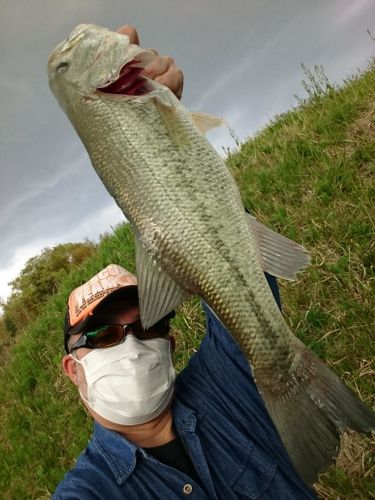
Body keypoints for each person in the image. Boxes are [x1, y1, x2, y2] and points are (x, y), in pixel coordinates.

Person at [54, 26, 316, 499]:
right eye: (103, 334)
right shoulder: (89, 490)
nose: (131, 346)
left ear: (172, 343)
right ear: (74, 369)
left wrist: (163, 125)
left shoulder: (230, 383)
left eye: (148, 327)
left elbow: (240, 276)